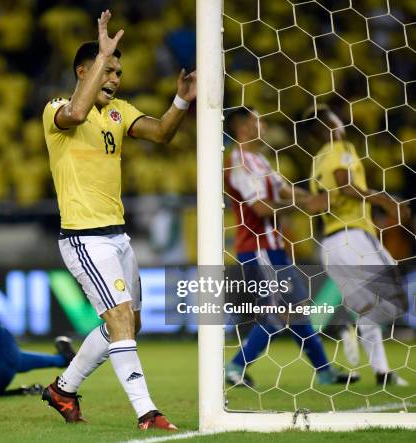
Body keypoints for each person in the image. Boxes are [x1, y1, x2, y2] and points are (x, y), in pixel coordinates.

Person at [41, 10, 195, 431]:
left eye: (118, 72)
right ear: (83, 70)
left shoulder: (119, 112)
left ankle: (62, 389)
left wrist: (181, 100)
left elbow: (162, 133)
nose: (115, 78)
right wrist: (102, 52)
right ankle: (147, 412)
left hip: (118, 236)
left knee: (128, 325)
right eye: (107, 69)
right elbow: (74, 112)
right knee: (120, 320)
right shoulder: (56, 109)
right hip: (83, 238)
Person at [223, 107, 354, 387]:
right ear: (243, 128)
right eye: (259, 120)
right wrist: (304, 206)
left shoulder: (259, 160)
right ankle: (235, 367)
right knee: (282, 311)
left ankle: (325, 372)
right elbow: (260, 208)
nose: (265, 125)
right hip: (258, 248)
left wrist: (317, 199)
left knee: (294, 309)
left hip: (273, 248)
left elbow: (286, 191)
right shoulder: (238, 162)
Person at [303, 105, 410, 386]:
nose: (342, 123)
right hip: (354, 238)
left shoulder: (316, 160)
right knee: (397, 299)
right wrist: (385, 200)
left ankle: (382, 371)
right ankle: (347, 324)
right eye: (338, 119)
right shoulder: (340, 146)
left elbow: (323, 198)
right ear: (329, 126)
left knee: (366, 309)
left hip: (330, 245)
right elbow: (346, 185)